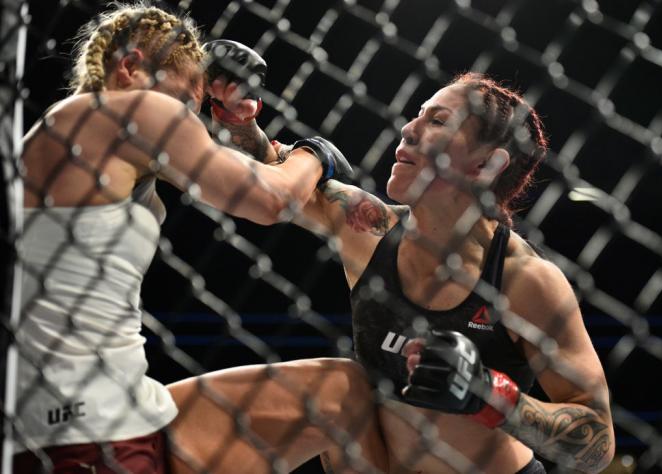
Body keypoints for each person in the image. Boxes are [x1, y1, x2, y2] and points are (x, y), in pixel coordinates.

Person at [13, 3, 386, 473]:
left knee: (339, 393)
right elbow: (273, 199)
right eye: (186, 103)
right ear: (129, 66)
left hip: (82, 415)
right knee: (345, 393)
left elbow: (229, 168)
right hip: (96, 428)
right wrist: (314, 154)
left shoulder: (69, 135)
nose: (191, 117)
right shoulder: (134, 110)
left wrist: (239, 127)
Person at [276, 72, 615, 473]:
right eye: (418, 114)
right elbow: (266, 170)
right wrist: (239, 115)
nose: (407, 128)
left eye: (437, 121)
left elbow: (598, 440)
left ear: (485, 163)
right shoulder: (366, 227)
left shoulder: (522, 280)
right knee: (335, 384)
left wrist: (488, 394)